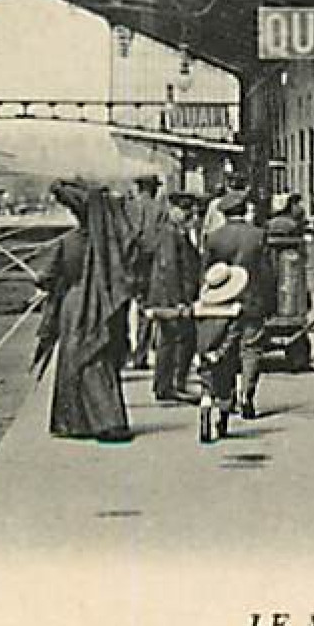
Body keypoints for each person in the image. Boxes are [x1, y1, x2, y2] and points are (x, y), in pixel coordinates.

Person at [34, 179, 138, 442]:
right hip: (103, 308)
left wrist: (44, 280)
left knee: (74, 361)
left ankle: (77, 423)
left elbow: (47, 277)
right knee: (100, 360)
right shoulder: (110, 245)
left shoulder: (67, 243)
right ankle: (109, 418)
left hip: (73, 306)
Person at [197, 188, 274, 421]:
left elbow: (206, 273)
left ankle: (226, 396)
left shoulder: (214, 237)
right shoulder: (258, 235)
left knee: (224, 350)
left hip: (223, 302)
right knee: (251, 349)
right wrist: (270, 302)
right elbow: (268, 272)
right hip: (253, 300)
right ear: (244, 210)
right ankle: (247, 395)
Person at [146, 192, 202, 404]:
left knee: (169, 340)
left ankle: (165, 385)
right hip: (171, 297)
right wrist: (178, 300)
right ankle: (174, 384)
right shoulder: (170, 233)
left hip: (171, 295)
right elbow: (169, 267)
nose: (189, 216)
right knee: (180, 339)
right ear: (174, 209)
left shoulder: (174, 231)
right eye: (186, 211)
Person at [125, 173, 167, 371]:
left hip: (130, 263)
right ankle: (141, 354)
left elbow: (127, 235)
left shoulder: (130, 207)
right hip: (152, 264)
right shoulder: (160, 209)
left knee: (123, 307)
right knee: (146, 310)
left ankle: (124, 353)